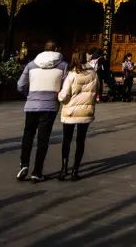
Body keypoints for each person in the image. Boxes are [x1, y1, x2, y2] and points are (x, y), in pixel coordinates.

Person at [16, 41, 68, 181]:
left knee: (28, 135)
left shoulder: (31, 64)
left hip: (32, 105)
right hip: (50, 106)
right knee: (43, 139)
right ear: (56, 49)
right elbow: (65, 86)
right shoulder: (63, 65)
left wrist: (30, 94)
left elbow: (20, 85)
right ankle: (37, 172)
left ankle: (24, 164)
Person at [57, 50, 98, 181]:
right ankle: (75, 170)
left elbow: (64, 95)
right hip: (86, 111)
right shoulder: (93, 73)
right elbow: (95, 90)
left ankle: (64, 169)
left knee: (67, 140)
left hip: (70, 111)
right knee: (80, 140)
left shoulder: (72, 74)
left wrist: (59, 96)